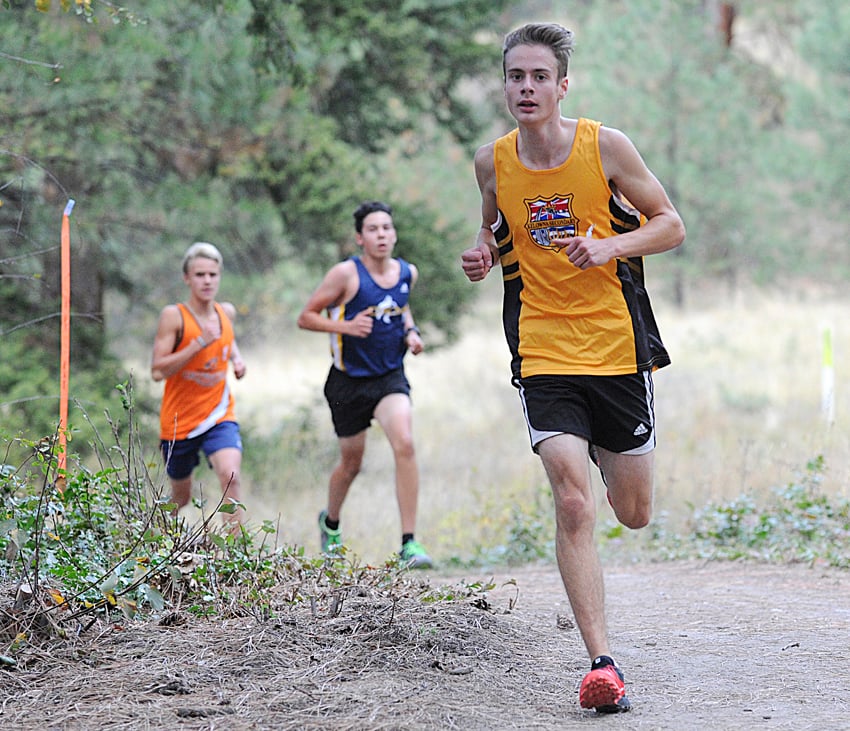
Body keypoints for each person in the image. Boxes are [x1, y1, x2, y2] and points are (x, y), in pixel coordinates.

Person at [461, 23, 685, 713]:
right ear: (505, 86)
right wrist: (481, 255)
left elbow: (671, 224)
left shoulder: (605, 147)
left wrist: (612, 245)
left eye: (538, 77)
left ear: (563, 85)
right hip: (543, 347)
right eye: (514, 77)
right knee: (572, 498)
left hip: (617, 349)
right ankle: (602, 664)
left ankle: (610, 457)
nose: (525, 88)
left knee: (633, 510)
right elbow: (495, 234)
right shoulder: (492, 161)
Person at [297, 201, 433, 569]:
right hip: (348, 383)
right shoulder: (345, 275)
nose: (381, 235)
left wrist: (412, 333)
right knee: (351, 463)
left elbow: (402, 308)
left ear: (394, 233)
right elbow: (306, 317)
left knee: (404, 443)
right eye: (373, 229)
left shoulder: (408, 272)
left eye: (386, 228)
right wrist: (346, 327)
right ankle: (331, 524)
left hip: (390, 378)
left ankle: (409, 543)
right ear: (360, 238)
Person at [151, 242, 247, 532]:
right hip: (179, 422)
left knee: (231, 476)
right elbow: (157, 370)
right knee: (181, 497)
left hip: (218, 414)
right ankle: (151, 540)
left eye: (212, 275)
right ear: (187, 278)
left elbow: (226, 340)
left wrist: (237, 358)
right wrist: (197, 344)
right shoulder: (175, 316)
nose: (207, 281)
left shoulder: (225, 312)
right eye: (200, 274)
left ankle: (235, 557)